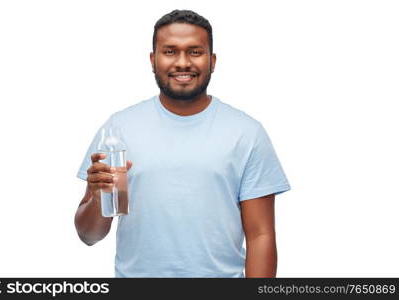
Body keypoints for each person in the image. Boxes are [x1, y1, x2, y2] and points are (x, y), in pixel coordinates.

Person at [75, 9, 291, 278]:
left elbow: (260, 235)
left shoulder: (246, 133)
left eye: (195, 51)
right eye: (169, 51)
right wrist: (97, 199)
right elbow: (89, 235)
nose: (182, 62)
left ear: (212, 61)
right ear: (153, 60)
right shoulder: (118, 131)